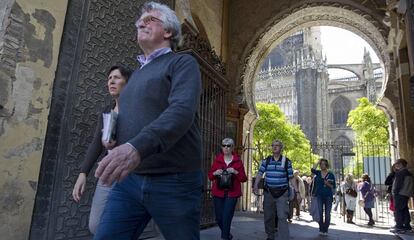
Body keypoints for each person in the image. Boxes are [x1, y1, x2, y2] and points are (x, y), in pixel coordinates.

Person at [93, 2, 203, 239]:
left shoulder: (182, 63)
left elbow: (182, 111)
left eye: (151, 19)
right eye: (139, 21)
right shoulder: (135, 76)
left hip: (174, 180)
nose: (141, 22)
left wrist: (135, 147)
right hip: (129, 180)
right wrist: (116, 137)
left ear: (168, 32)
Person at [71, 65, 131, 234]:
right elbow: (97, 143)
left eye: (117, 77)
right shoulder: (107, 110)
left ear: (128, 83)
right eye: (109, 78)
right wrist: (83, 173)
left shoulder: (135, 109)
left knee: (125, 224)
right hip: (108, 171)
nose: (111, 81)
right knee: (96, 225)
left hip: (130, 173)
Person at [253, 140, 293, 240]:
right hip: (268, 193)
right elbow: (259, 173)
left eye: (277, 145)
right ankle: (270, 236)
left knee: (282, 216)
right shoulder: (266, 161)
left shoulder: (286, 161)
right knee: (268, 216)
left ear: (281, 148)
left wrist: (297, 192)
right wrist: (255, 185)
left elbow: (291, 177)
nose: (275, 147)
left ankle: (284, 237)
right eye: (273, 145)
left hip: (282, 193)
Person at [208, 138, 247, 240]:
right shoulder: (218, 160)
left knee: (227, 217)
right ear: (221, 147)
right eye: (224, 145)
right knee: (219, 218)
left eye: (228, 145)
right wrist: (215, 173)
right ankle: (227, 235)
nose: (226, 147)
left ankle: (224, 237)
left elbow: (244, 178)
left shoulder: (238, 161)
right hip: (218, 193)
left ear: (232, 147)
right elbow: (210, 176)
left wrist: (235, 171)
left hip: (232, 194)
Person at [311, 158, 336, 236]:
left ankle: (326, 229)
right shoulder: (318, 173)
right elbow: (312, 169)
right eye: (321, 164)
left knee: (327, 214)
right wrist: (317, 162)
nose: (322, 165)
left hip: (328, 196)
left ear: (326, 165)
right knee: (320, 213)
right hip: (319, 196)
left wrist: (327, 184)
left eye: (324, 164)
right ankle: (321, 228)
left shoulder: (330, 174)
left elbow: (333, 186)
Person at [390, 159, 413, 233]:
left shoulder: (400, 173)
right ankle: (407, 226)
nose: (395, 165)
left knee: (398, 210)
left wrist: (395, 193)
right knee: (405, 209)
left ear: (400, 164)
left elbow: (398, 185)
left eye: (396, 163)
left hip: (400, 194)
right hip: (406, 194)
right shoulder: (408, 173)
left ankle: (399, 226)